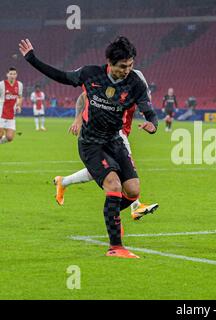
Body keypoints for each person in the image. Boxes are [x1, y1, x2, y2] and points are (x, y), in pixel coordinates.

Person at [20, 36, 159, 259]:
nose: (127, 70)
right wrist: (32, 59)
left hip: (114, 140)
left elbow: (148, 109)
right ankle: (116, 247)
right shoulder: (90, 74)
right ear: (110, 63)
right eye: (122, 66)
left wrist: (153, 124)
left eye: (130, 65)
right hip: (91, 143)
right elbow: (61, 76)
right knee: (113, 185)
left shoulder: (135, 82)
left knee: (132, 191)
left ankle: (111, 212)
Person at [54, 90, 159, 221]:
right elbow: (84, 96)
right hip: (111, 134)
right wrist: (78, 119)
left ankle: (63, 181)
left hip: (120, 133)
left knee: (105, 168)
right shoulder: (112, 80)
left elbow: (145, 101)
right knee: (125, 170)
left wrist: (151, 120)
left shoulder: (135, 80)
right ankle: (135, 206)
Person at [0, 67, 23, 145]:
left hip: (11, 116)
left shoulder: (19, 85)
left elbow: (20, 97)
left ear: (16, 75)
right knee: (0, 134)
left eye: (14, 74)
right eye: (10, 74)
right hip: (1, 114)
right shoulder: (2, 84)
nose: (12, 75)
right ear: (7, 75)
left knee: (9, 138)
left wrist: (19, 106)